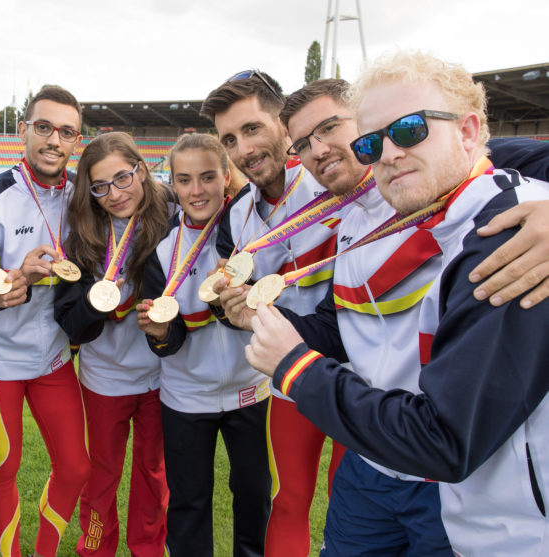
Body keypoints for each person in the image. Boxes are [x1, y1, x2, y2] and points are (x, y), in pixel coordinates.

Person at [244, 50, 549, 557]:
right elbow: (345, 324)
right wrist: (267, 323)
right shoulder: (368, 214)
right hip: (375, 458)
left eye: (408, 130)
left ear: (470, 131)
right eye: (371, 142)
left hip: (457, 486)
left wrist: (295, 368)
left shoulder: (510, 231)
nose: (387, 153)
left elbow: (446, 438)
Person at [200, 70, 346, 556]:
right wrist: (228, 305)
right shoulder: (236, 215)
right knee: (288, 501)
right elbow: (231, 308)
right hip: (291, 379)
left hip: (365, 374)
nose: (243, 149)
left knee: (351, 503)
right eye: (230, 139)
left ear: (283, 124)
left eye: (253, 129)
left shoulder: (338, 178)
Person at [0, 85, 91, 557]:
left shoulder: (86, 198)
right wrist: (14, 278)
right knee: (5, 463)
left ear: (76, 141)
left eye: (66, 132)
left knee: (75, 468)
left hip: (52, 360)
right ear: (24, 132)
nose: (55, 140)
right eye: (44, 127)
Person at [135, 133, 271, 557]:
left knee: (254, 496)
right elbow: (168, 340)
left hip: (250, 390)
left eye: (208, 177)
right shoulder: (159, 250)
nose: (197, 190)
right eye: (185, 179)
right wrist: (158, 335)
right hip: (186, 397)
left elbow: (265, 313)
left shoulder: (253, 235)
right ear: (172, 184)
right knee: (189, 502)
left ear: (226, 175)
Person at [54, 132, 170, 557]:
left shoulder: (171, 216)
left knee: (152, 474)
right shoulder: (82, 235)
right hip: (104, 378)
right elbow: (70, 323)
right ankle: (96, 550)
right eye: (100, 186)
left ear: (141, 170)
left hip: (161, 377)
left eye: (123, 178)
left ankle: (148, 550)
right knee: (101, 477)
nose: (114, 194)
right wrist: (96, 302)